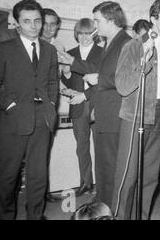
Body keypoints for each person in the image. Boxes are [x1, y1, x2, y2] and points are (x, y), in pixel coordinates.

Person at [58, 1, 132, 208]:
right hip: (105, 114)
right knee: (104, 166)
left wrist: (98, 79)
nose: (96, 26)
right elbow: (103, 72)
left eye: (98, 21)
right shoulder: (111, 42)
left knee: (110, 166)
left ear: (109, 20)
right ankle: (103, 205)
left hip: (113, 115)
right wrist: (71, 62)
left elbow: (124, 79)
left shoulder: (125, 43)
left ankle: (110, 206)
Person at [112, 0, 160, 220]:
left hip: (159, 118)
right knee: (128, 177)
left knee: (150, 178)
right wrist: (144, 61)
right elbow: (122, 86)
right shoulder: (133, 46)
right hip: (136, 117)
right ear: (153, 19)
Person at [0, 0, 59, 219]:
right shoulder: (3, 49)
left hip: (43, 119)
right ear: (17, 23)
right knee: (7, 176)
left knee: (38, 176)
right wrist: (9, 104)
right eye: (27, 21)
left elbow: (52, 82)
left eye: (37, 21)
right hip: (13, 119)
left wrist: (51, 104)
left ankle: (35, 215)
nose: (33, 26)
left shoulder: (50, 50)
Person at [61, 18, 103, 196]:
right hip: (78, 105)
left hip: (99, 104)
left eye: (88, 33)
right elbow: (68, 81)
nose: (84, 37)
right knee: (82, 147)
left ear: (94, 34)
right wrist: (67, 73)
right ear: (76, 34)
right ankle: (85, 183)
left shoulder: (103, 52)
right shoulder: (69, 53)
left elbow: (103, 79)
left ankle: (102, 184)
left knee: (102, 147)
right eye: (81, 33)